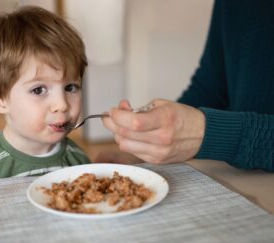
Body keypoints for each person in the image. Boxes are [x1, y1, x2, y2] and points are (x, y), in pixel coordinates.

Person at [100, 0, 274, 172]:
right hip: (236, 175)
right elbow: (210, 89)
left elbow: (204, 128)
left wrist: (208, 134)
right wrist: (149, 145)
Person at [0, 6, 90, 187]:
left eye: (70, 87)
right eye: (39, 90)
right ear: (0, 101)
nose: (61, 104)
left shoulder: (79, 160)